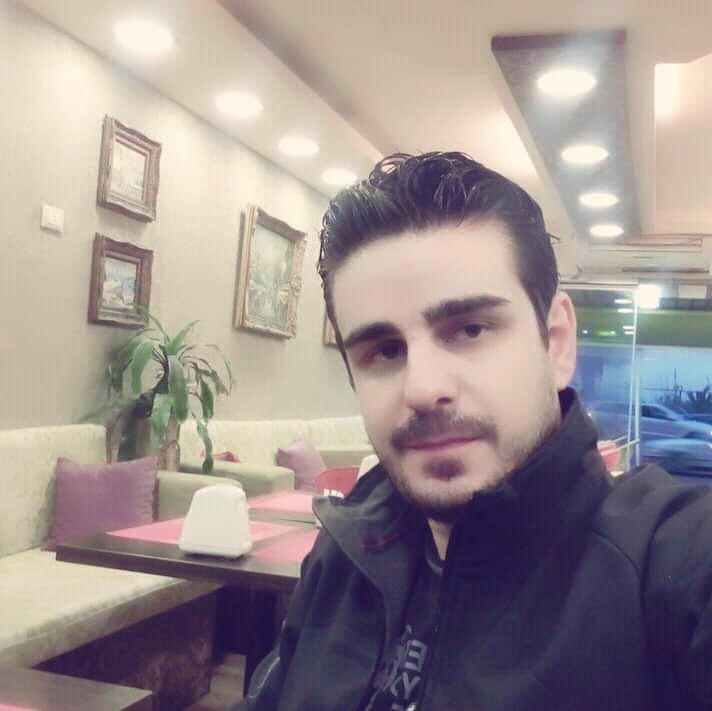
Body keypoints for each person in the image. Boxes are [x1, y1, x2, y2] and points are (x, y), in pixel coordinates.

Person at [237, 152, 712, 710]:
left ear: (556, 343)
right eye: (384, 351)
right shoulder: (346, 548)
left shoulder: (669, 565)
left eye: (469, 329)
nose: (422, 388)